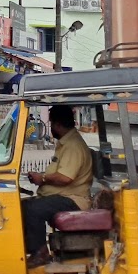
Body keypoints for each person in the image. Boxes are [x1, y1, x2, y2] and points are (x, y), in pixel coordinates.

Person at [21, 104, 93, 263]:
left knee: (34, 209)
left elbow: (66, 178)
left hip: (74, 200)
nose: (51, 127)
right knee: (24, 205)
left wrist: (43, 179)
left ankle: (40, 253)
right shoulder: (65, 144)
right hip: (63, 196)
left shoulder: (73, 146)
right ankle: (31, 250)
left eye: (52, 123)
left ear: (58, 125)